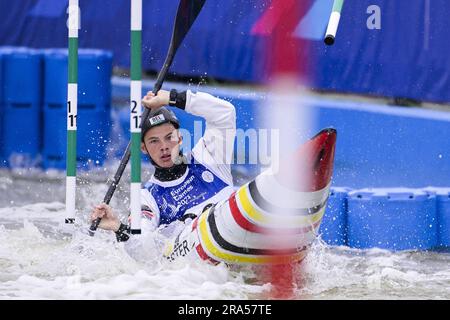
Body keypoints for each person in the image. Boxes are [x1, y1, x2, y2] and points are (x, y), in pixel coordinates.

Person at [90, 88, 237, 261]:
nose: (164, 146)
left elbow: (225, 113)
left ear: (180, 138)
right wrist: (118, 227)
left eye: (169, 137)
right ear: (143, 148)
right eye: (154, 141)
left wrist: (172, 98)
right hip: (200, 264)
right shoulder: (147, 198)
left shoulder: (208, 158)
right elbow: (142, 251)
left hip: (235, 228)